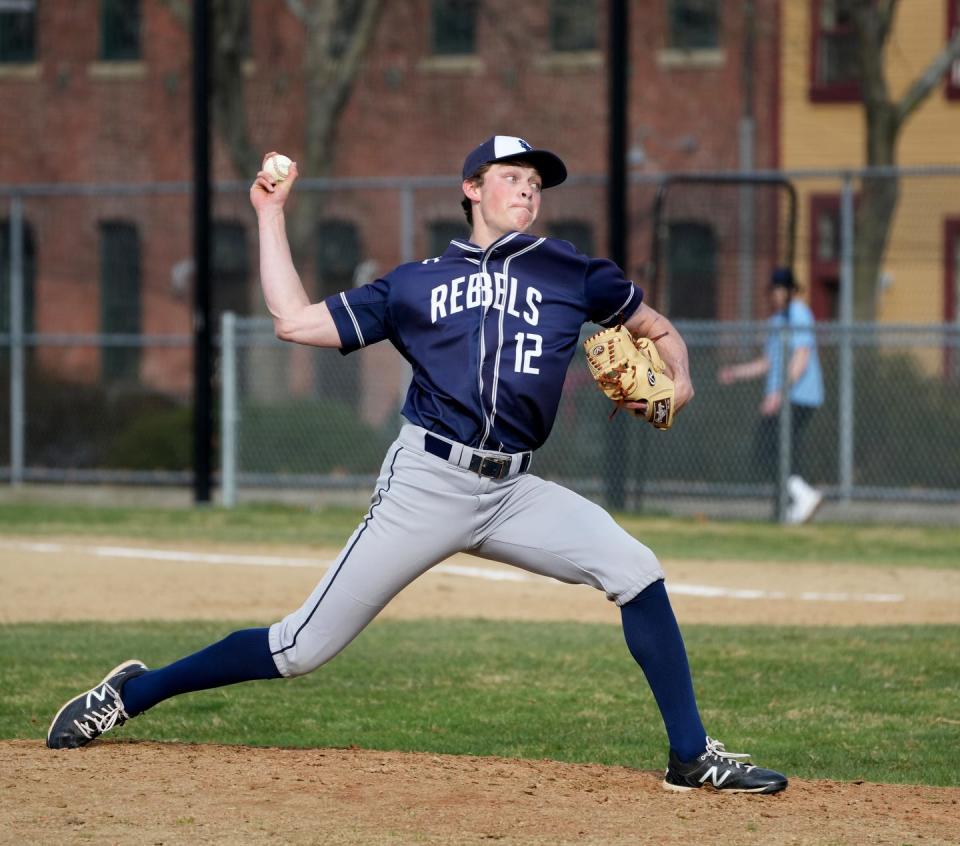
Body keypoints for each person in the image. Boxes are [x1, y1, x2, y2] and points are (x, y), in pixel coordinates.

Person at [46, 135, 787, 794]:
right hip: (426, 483)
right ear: (472, 189)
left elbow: (656, 329)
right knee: (300, 648)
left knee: (635, 568)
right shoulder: (415, 284)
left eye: (537, 181)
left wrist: (679, 377)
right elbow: (294, 322)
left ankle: (691, 756)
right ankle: (134, 694)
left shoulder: (573, 271)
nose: (528, 189)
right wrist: (270, 215)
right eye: (512, 176)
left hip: (514, 488)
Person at [719, 267, 824, 524]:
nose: (777, 295)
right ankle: (795, 501)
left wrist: (779, 394)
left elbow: (801, 357)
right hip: (782, 395)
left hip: (798, 396)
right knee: (773, 449)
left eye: (781, 289)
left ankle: (802, 496)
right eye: (774, 290)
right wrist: (737, 372)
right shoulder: (776, 321)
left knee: (772, 447)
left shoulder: (798, 313)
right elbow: (767, 362)